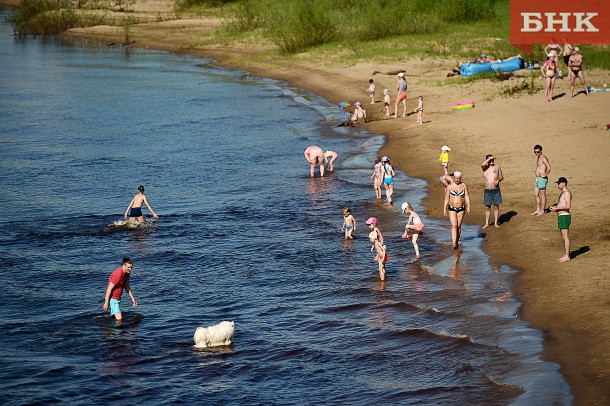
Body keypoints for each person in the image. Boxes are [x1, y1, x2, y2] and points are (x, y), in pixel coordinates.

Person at [103, 257, 137, 323]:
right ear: (123, 265)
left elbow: (127, 287)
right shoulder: (118, 274)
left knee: (114, 317)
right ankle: (116, 333)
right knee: (119, 319)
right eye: (128, 267)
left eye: (131, 268)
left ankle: (110, 330)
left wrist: (133, 299)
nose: (130, 269)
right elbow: (109, 289)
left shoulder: (127, 274)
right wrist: (106, 303)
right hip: (113, 299)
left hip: (118, 298)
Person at [443, 171, 471, 249]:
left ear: (460, 178)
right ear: (453, 178)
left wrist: (469, 206)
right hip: (452, 208)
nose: (457, 180)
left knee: (458, 226)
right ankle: (454, 243)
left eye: (458, 178)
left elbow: (466, 196)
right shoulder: (450, 186)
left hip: (461, 208)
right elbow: (447, 197)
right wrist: (444, 208)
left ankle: (457, 241)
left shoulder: (464, 185)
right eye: (455, 178)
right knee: (454, 225)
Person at [549, 177, 572, 262]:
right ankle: (566, 254)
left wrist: (557, 209)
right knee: (563, 236)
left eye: (559, 183)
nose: (558, 185)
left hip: (564, 216)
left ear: (564, 183)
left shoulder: (567, 193)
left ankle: (567, 256)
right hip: (561, 216)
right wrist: (556, 207)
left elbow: (568, 206)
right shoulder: (563, 193)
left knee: (565, 236)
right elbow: (563, 204)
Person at [481, 154, 504, 228]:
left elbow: (501, 177)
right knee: (487, 207)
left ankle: (496, 223)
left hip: (496, 190)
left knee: (496, 206)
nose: (492, 161)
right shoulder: (485, 168)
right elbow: (482, 164)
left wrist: (498, 180)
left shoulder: (497, 167)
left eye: (493, 159)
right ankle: (487, 223)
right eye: (490, 160)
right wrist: (489, 159)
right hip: (487, 190)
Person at [532, 145, 552, 216]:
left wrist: (545, 174)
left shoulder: (543, 158)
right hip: (538, 178)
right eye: (535, 152)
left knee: (542, 195)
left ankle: (542, 210)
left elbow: (549, 167)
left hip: (542, 179)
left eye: (538, 152)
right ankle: (538, 209)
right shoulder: (539, 157)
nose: (536, 153)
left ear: (541, 151)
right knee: (536, 194)